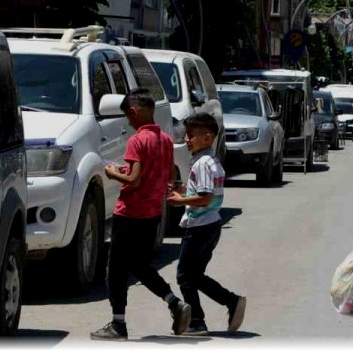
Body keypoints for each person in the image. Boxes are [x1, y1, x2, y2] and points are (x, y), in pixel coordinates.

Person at [92, 89, 192, 341]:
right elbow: (168, 176)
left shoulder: (137, 141)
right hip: (152, 214)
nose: (128, 121)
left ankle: (118, 324)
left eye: (128, 116)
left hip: (129, 214)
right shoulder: (166, 140)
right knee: (139, 265)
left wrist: (113, 173)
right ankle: (174, 303)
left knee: (115, 268)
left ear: (135, 112)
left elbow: (134, 180)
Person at [167, 113, 247, 335]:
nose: (186, 140)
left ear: (207, 138)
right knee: (195, 276)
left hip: (199, 226)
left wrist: (180, 200)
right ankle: (232, 301)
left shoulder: (202, 163)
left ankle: (197, 321)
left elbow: (205, 197)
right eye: (186, 135)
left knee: (184, 275)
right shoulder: (211, 161)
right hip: (211, 225)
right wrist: (185, 191)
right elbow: (204, 192)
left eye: (191, 135)